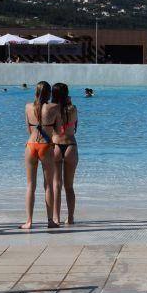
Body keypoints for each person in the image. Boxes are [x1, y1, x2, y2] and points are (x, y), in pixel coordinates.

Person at [21, 81, 62, 229]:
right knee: (48, 185)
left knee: (30, 185)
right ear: (49, 93)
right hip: (46, 146)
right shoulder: (54, 107)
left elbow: (28, 130)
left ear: (35, 92)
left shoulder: (27, 107)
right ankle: (50, 220)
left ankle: (29, 221)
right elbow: (59, 131)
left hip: (30, 145)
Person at [51, 83, 79, 224]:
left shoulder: (52, 109)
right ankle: (71, 217)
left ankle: (56, 218)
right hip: (71, 146)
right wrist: (70, 102)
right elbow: (75, 128)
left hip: (56, 145)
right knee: (69, 186)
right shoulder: (73, 108)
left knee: (56, 184)